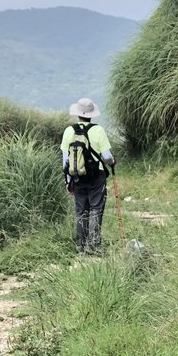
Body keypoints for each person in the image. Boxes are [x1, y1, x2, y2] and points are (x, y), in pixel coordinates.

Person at [60, 97, 115, 256]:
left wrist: (68, 181)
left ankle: (80, 247)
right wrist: (112, 161)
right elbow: (107, 156)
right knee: (96, 209)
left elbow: (65, 159)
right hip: (96, 176)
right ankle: (94, 246)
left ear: (78, 114)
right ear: (92, 115)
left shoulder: (69, 131)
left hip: (76, 176)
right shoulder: (98, 130)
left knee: (80, 210)